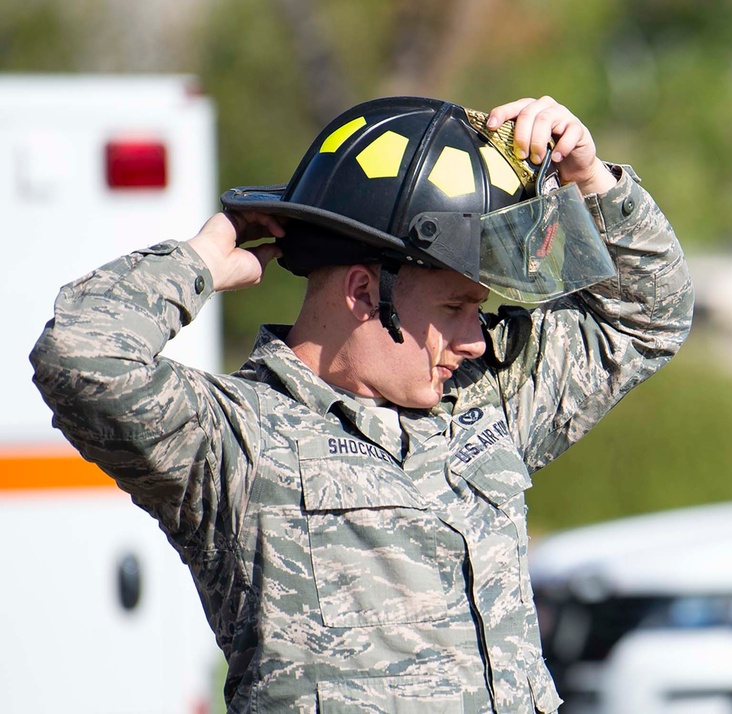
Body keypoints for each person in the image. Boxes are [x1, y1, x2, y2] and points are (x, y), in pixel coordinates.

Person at [31, 95, 693, 713]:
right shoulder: (233, 442)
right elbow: (82, 358)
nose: (474, 337)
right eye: (456, 308)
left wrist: (590, 180)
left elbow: (648, 320)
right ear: (359, 292)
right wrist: (200, 259)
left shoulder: (486, 397)